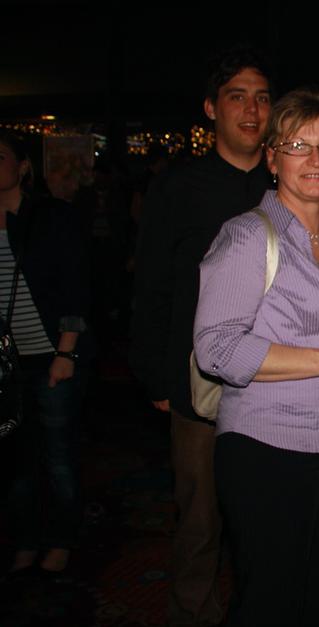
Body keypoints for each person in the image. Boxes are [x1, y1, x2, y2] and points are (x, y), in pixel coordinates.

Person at [193, 88, 319, 626]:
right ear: (273, 159)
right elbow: (216, 348)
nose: (315, 159)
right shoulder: (248, 235)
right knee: (271, 604)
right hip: (268, 448)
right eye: (298, 145)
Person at [129, 47, 272, 626]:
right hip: (198, 381)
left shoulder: (289, 184)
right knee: (199, 518)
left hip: (276, 378)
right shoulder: (178, 188)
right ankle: (194, 615)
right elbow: (153, 285)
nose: (252, 110)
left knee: (265, 516)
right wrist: (157, 377)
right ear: (211, 108)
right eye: (237, 97)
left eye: (262, 98)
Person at [1, 129, 90, 576]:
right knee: (16, 458)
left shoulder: (48, 216)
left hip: (51, 356)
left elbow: (75, 285)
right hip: (6, 364)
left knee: (57, 455)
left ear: (22, 167)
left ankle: (61, 538)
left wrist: (66, 353)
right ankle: (25, 538)